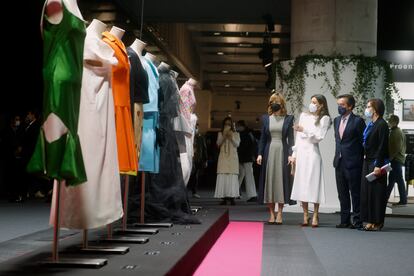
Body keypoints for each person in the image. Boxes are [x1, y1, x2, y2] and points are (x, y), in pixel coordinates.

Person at [290, 94, 331, 227]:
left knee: (314, 184)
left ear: (321, 105)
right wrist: (294, 155)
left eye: (315, 102)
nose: (312, 104)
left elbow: (318, 137)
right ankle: (305, 215)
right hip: (301, 152)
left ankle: (315, 215)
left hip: (313, 153)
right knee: (302, 184)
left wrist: (304, 130)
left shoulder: (324, 119)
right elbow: (298, 138)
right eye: (311, 101)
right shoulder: (304, 116)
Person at [257, 93, 295, 224]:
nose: (274, 103)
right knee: (270, 181)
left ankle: (280, 213)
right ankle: (271, 214)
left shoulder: (289, 119)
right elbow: (262, 138)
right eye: (272, 101)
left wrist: (291, 154)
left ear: (282, 103)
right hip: (269, 150)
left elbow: (291, 139)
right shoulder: (266, 119)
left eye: (276, 101)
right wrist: (260, 153)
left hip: (283, 151)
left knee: (281, 181)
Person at [333, 94, 366, 229]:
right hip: (339, 162)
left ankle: (357, 220)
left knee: (355, 193)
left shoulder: (358, 121)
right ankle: (344, 220)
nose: (339, 107)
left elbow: (363, 142)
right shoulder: (336, 120)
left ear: (350, 106)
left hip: (353, 163)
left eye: (342, 105)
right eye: (338, 104)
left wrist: (360, 160)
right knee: (342, 193)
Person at [360, 98, 389, 231]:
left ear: (375, 109)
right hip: (367, 161)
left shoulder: (382, 124)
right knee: (368, 192)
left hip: (377, 162)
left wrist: (378, 164)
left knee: (377, 193)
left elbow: (382, 146)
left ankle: (377, 221)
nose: (367, 109)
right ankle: (370, 220)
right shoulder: (371, 123)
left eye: (368, 106)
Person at [214, 117, 240, 205]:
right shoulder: (220, 133)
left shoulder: (236, 133)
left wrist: (231, 137)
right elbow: (218, 144)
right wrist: (224, 136)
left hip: (232, 158)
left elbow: (237, 144)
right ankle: (224, 197)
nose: (227, 126)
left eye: (229, 124)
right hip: (223, 157)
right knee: (223, 175)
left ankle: (232, 197)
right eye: (226, 124)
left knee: (232, 176)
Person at [386, 114, 407, 205]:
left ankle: (403, 200)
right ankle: (385, 198)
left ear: (395, 122)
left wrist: (391, 157)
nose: (389, 122)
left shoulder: (396, 132)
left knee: (398, 180)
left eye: (390, 120)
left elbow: (397, 147)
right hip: (397, 159)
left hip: (396, 160)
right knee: (392, 180)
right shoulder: (396, 131)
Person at [236, 120, 257, 202]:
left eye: (238, 126)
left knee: (244, 174)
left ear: (242, 126)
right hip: (248, 157)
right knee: (247, 175)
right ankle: (251, 194)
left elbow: (245, 146)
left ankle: (236, 192)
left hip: (245, 157)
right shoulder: (249, 133)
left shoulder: (244, 134)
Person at [188, 123, 208, 198]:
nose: (195, 129)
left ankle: (194, 192)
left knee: (195, 176)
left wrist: (205, 160)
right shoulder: (188, 136)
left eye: (196, 127)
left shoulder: (201, 137)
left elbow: (204, 149)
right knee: (188, 176)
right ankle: (184, 191)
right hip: (189, 159)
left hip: (197, 159)